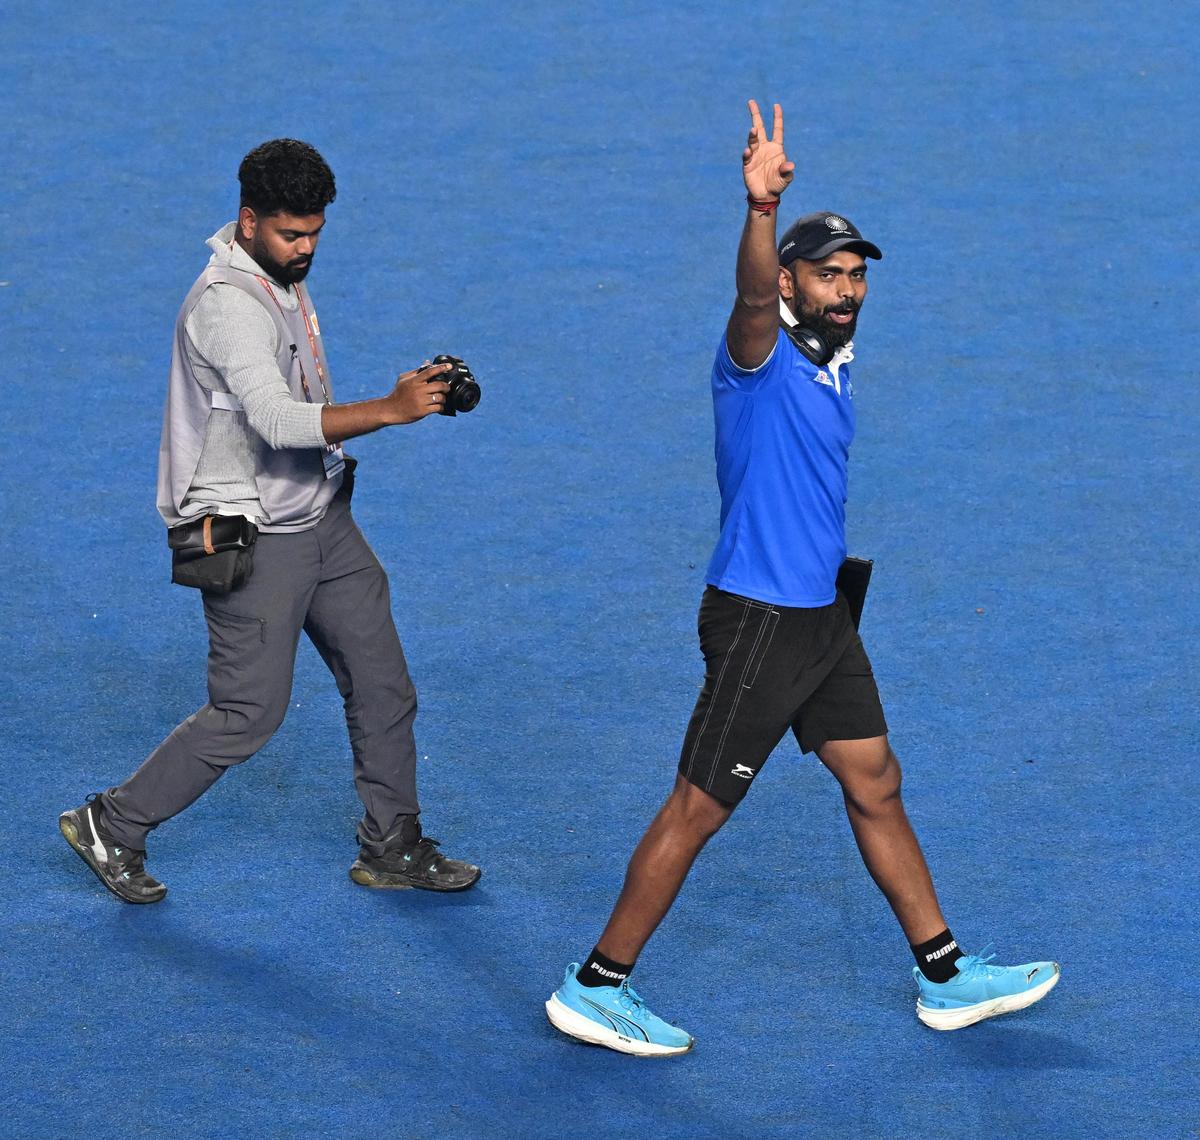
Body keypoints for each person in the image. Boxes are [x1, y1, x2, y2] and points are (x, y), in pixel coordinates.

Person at [545, 102, 1058, 1056]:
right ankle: (595, 984)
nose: (848, 289)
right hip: (760, 620)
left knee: (876, 781)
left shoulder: (830, 360)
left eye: (857, 276)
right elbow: (748, 301)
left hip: (822, 618)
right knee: (698, 805)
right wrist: (756, 211)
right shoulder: (759, 355)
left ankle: (944, 976)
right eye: (828, 275)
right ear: (789, 281)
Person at [60, 139, 480, 902]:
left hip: (323, 517)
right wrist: (390, 409)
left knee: (384, 684)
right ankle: (110, 823)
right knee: (248, 713)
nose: (307, 249)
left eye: (316, 232)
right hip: (256, 540)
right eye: (292, 234)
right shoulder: (226, 307)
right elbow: (279, 420)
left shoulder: (279, 274)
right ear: (249, 221)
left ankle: (392, 844)